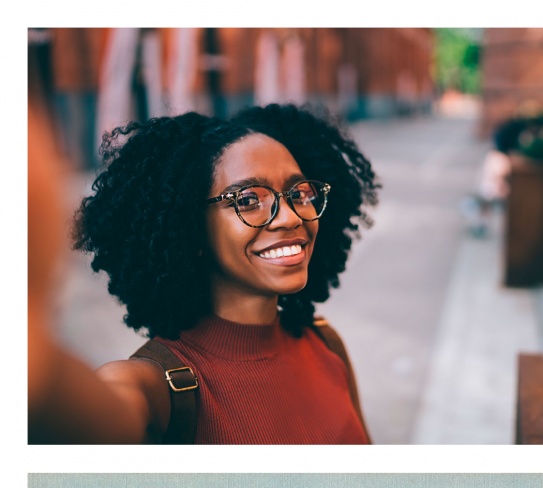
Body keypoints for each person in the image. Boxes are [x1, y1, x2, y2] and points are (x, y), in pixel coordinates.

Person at [32, 103, 378, 444]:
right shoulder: (155, 388)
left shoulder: (326, 344)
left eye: (300, 193)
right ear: (192, 228)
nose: (290, 217)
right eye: (247, 200)